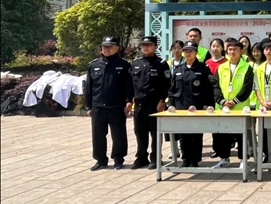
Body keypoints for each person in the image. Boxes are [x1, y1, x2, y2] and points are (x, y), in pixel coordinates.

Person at [85, 36, 134, 171]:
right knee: (98, 135)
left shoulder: (124, 65)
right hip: (98, 106)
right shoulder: (94, 65)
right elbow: (88, 87)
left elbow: (128, 86)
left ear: (117, 48)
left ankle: (118, 159)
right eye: (104, 46)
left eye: (110, 46)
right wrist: (88, 106)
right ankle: (100, 160)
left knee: (118, 134)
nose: (106, 49)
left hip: (116, 105)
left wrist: (128, 101)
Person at [168, 41, 214, 167]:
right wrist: (171, 104)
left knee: (195, 135)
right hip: (181, 107)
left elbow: (208, 89)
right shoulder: (178, 69)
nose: (188, 53)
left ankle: (194, 160)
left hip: (197, 107)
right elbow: (172, 89)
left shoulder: (203, 69)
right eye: (186, 51)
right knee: (183, 135)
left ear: (196, 52)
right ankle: (185, 159)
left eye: (191, 51)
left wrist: (207, 104)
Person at [209, 41, 254, 169]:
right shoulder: (221, 67)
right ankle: (224, 158)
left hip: (240, 108)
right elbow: (216, 86)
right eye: (230, 49)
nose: (232, 52)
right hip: (223, 108)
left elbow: (247, 88)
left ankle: (243, 159)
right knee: (222, 134)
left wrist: (234, 101)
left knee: (241, 136)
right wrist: (222, 101)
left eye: (235, 49)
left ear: (241, 51)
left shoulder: (247, 68)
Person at [130, 36, 170, 170]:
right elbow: (131, 84)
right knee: (140, 132)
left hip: (155, 105)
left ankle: (156, 158)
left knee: (155, 133)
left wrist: (162, 100)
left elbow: (166, 84)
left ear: (155, 47)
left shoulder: (161, 63)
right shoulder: (136, 63)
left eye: (149, 45)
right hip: (139, 105)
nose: (145, 47)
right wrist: (129, 100)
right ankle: (141, 158)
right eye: (143, 45)